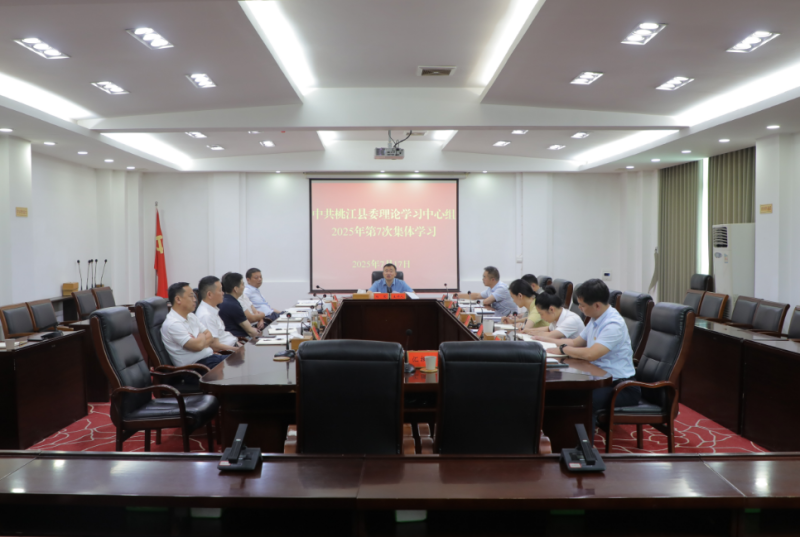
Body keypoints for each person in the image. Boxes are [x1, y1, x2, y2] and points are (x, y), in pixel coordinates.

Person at [543, 279, 640, 440]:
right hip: (598, 377)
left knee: (582, 401)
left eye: (582, 305)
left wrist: (563, 349)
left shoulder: (613, 324)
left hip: (620, 386)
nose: (580, 308)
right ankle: (556, 437)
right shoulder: (596, 318)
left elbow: (591, 354)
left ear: (596, 305)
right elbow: (576, 342)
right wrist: (544, 341)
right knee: (561, 393)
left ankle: (582, 447)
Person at [161, 282, 226, 369]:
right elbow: (197, 346)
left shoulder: (191, 316)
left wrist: (199, 341)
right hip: (196, 367)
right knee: (236, 365)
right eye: (191, 296)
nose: (195, 299)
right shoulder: (172, 323)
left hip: (210, 359)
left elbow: (209, 336)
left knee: (238, 360)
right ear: (178, 299)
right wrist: (202, 335)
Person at [195, 275, 240, 352]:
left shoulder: (212, 309)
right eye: (220, 290)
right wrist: (238, 350)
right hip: (227, 353)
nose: (223, 293)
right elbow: (215, 346)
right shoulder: (206, 315)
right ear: (209, 294)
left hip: (233, 346)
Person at [219, 272, 262, 339]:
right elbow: (250, 331)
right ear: (236, 289)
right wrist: (260, 333)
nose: (244, 287)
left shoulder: (224, 300)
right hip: (240, 339)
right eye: (242, 284)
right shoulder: (233, 305)